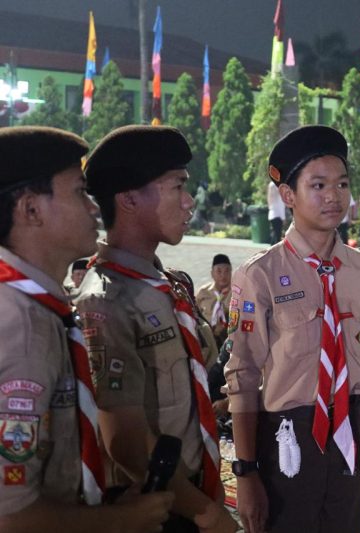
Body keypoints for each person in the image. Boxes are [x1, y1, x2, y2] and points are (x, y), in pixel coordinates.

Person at [0, 126, 173, 532]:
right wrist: (118, 521)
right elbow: (9, 515)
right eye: (79, 192)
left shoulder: (39, 309)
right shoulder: (19, 327)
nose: (95, 208)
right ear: (31, 210)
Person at [223, 125, 360, 532]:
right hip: (288, 436)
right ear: (288, 195)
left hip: (350, 432)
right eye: (318, 185)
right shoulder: (259, 276)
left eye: (342, 184)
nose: (334, 196)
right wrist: (246, 473)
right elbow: (242, 377)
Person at [75, 126, 235, 533]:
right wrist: (205, 513)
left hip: (193, 489)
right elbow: (124, 440)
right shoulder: (105, 300)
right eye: (177, 186)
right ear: (129, 199)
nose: (189, 200)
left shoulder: (168, 283)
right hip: (156, 506)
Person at [195, 254, 233, 349]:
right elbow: (194, 314)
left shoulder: (238, 293)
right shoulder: (203, 292)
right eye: (219, 271)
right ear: (212, 273)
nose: (223, 275)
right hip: (207, 339)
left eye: (227, 271)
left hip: (228, 341)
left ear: (231, 272)